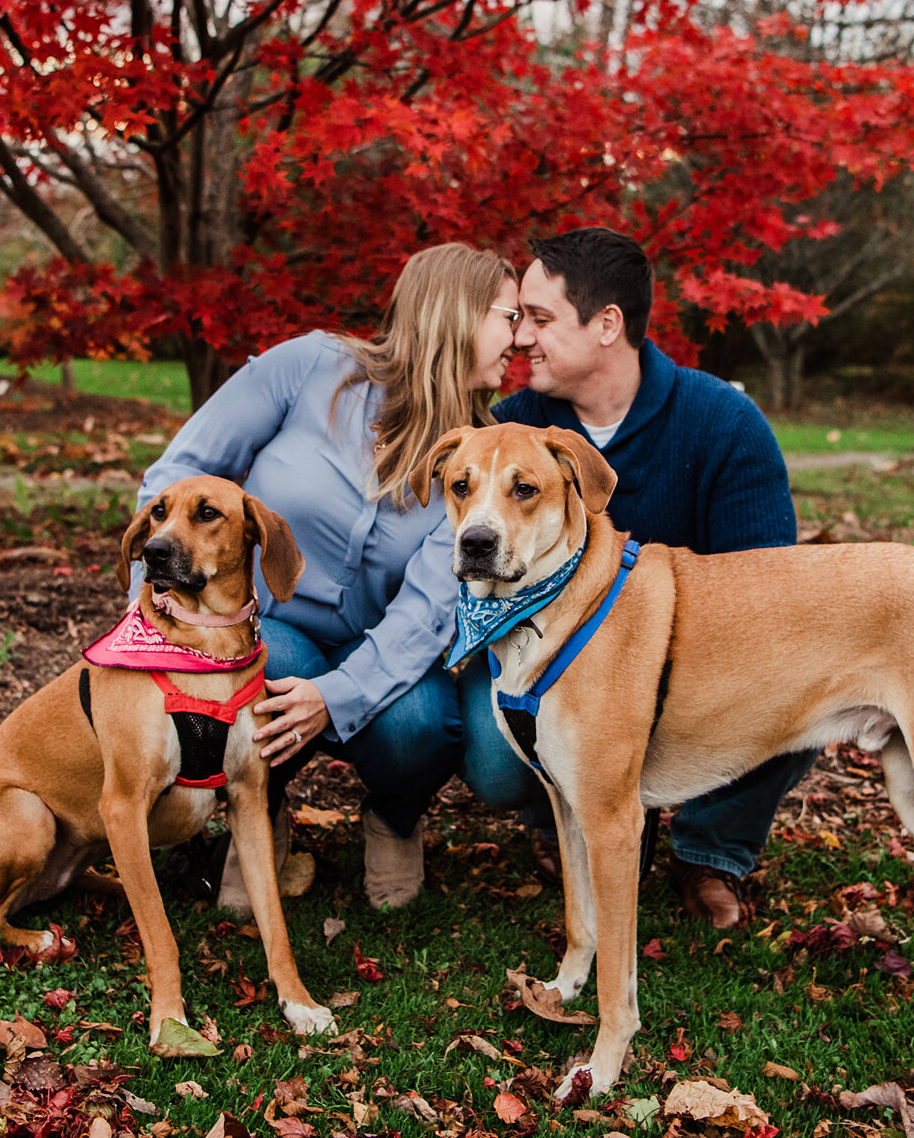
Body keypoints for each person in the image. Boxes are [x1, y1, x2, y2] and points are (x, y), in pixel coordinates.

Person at [132, 243, 519, 912]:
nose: (523, 336)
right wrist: (162, 597)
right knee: (262, 659)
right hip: (262, 622)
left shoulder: (473, 457)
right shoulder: (311, 365)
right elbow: (181, 469)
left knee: (421, 725)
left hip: (381, 648)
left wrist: (334, 696)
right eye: (511, 317)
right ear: (459, 313)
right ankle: (260, 810)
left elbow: (426, 613)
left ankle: (395, 819)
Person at [474, 227, 811, 928]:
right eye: (520, 319)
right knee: (494, 751)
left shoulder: (722, 421)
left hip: (699, 665)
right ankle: (568, 815)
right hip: (558, 669)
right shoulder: (513, 428)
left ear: (606, 325)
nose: (522, 339)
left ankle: (710, 846)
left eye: (539, 319)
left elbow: (771, 595)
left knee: (809, 684)